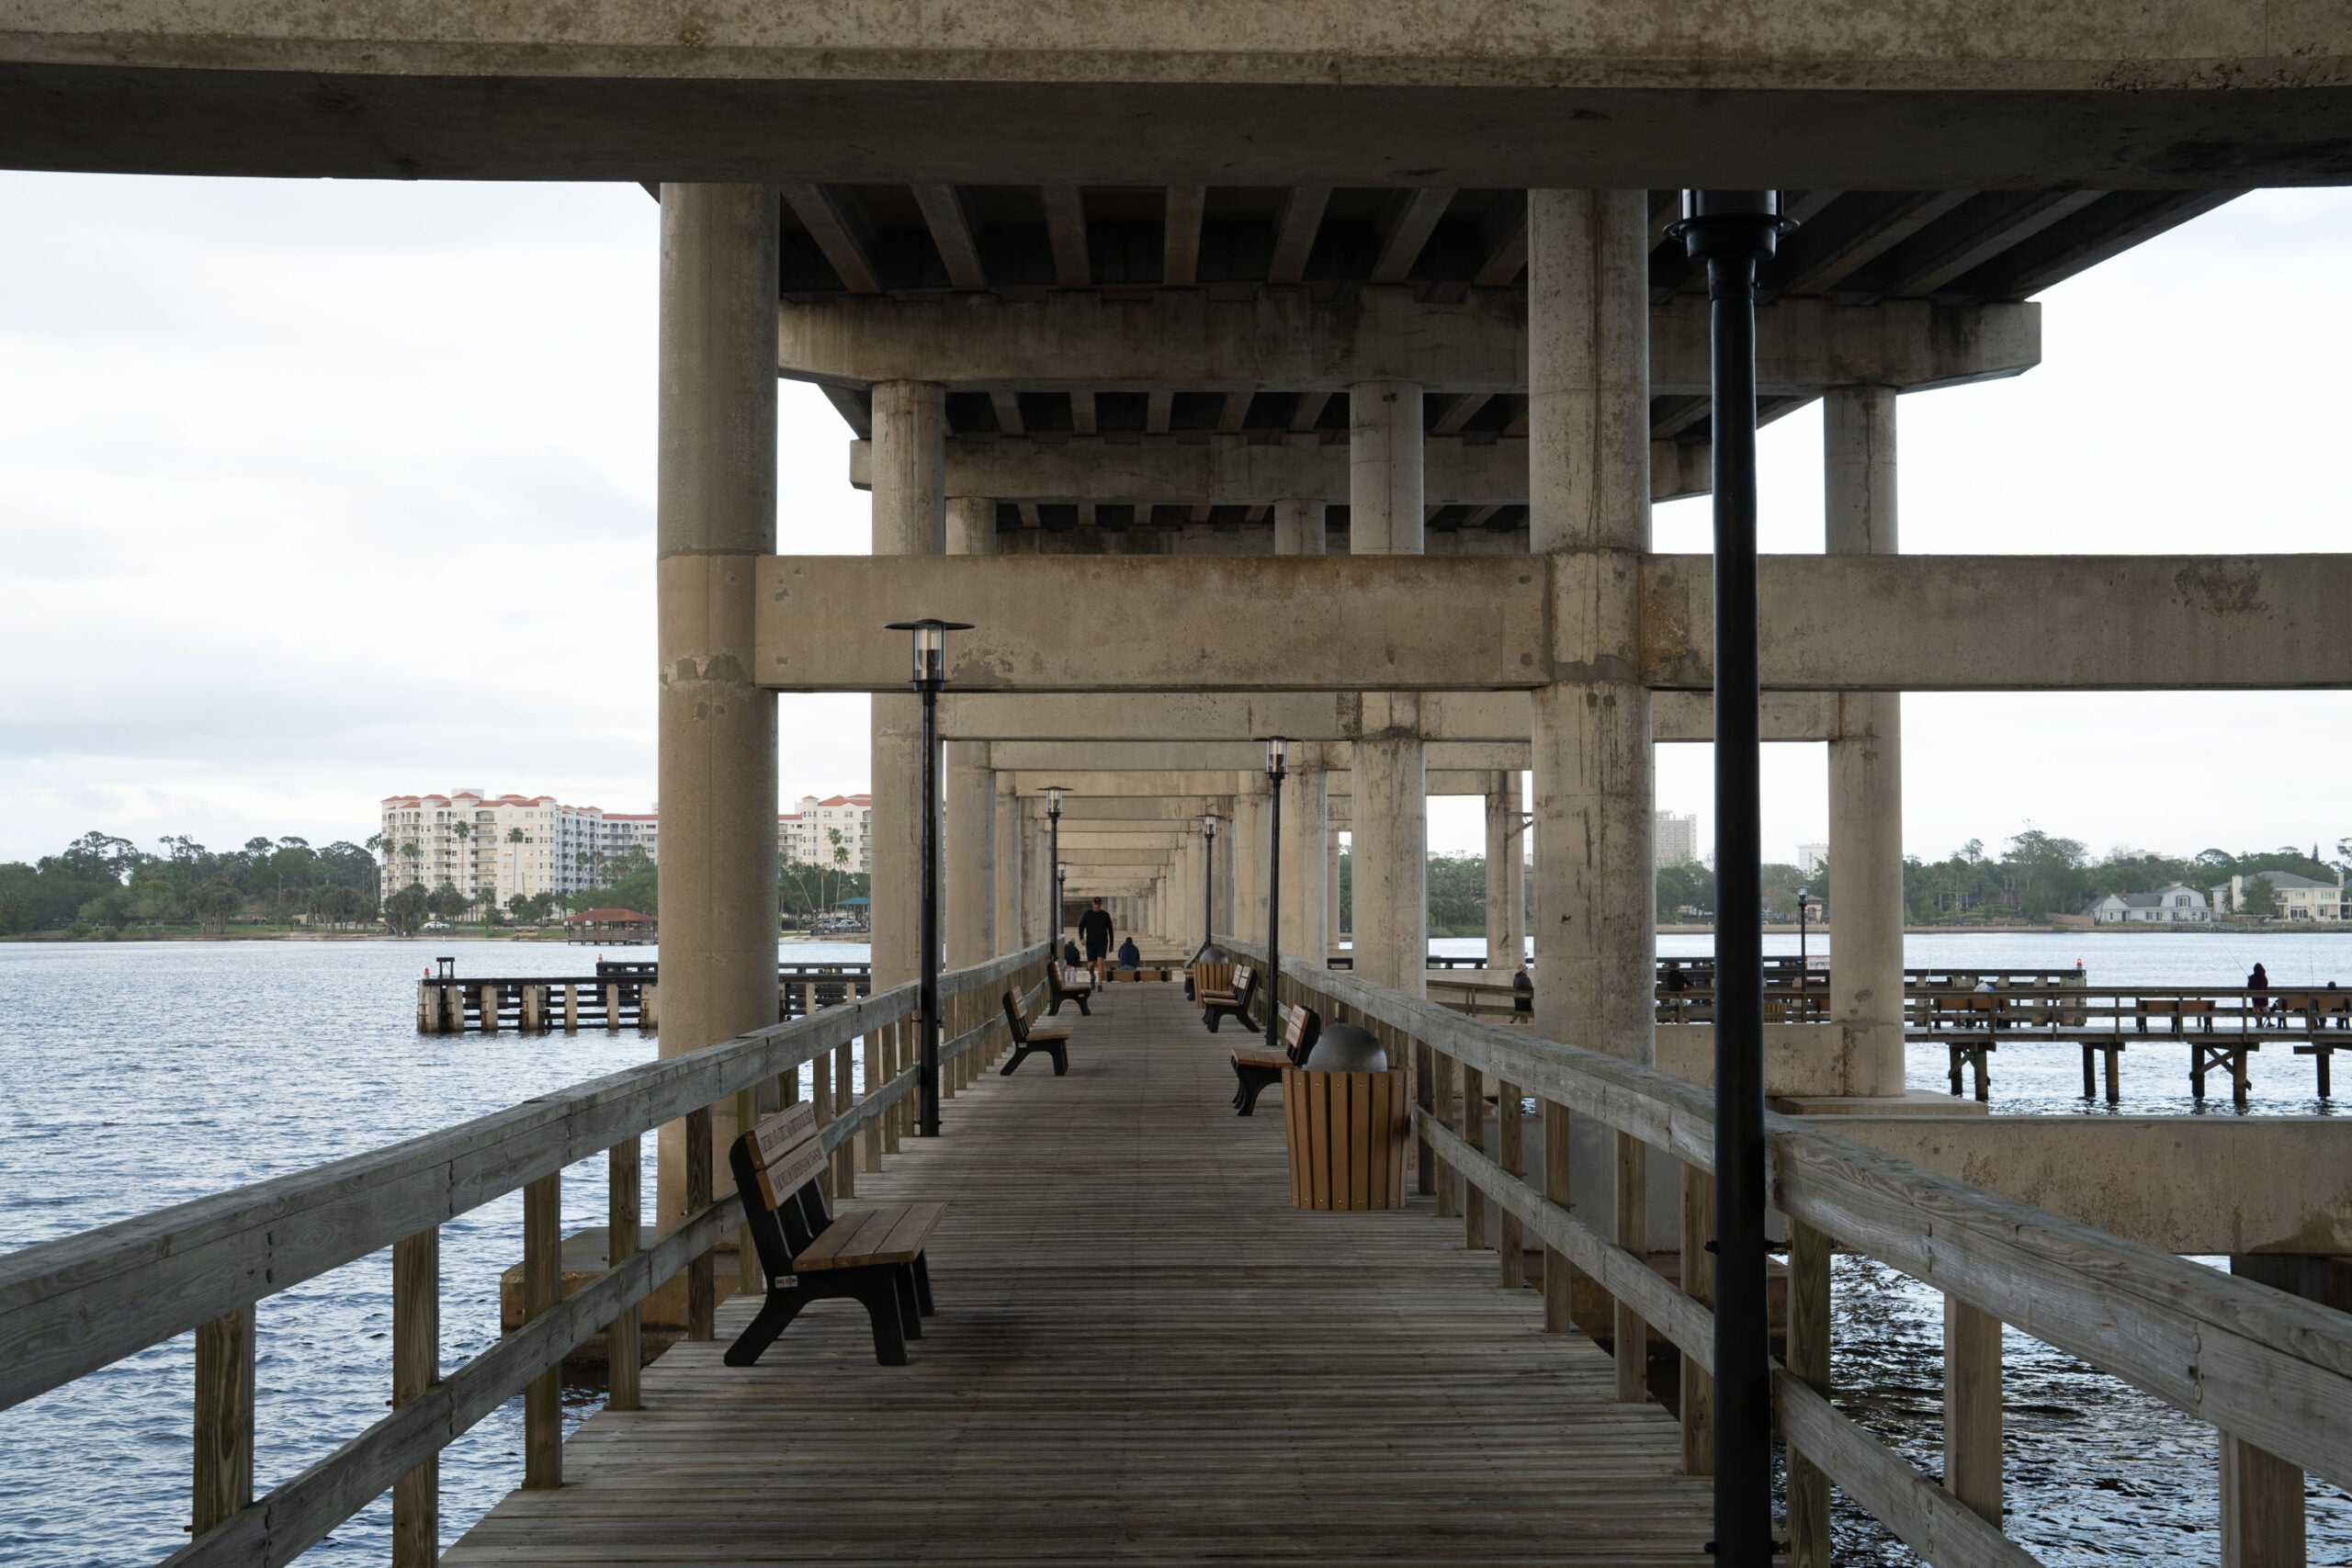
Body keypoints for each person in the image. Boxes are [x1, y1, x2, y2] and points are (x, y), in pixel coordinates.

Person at [1078, 897, 1115, 973]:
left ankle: (1100, 983)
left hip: (1102, 943)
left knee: (1100, 961)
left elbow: (1110, 931)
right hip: (1091, 943)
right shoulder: (1087, 914)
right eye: (1096, 904)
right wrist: (1081, 938)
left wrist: (1111, 944)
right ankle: (1092, 977)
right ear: (1093, 904)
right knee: (1091, 964)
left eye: (1099, 904)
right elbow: (1081, 927)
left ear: (1101, 905)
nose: (1097, 906)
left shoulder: (1105, 915)